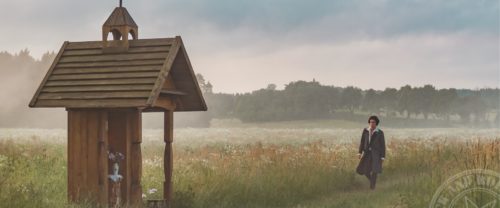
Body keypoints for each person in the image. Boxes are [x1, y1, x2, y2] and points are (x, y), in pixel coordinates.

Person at [356, 115, 386, 190]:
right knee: (366, 171)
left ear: (376, 123)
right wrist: (359, 152)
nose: (372, 123)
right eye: (370, 122)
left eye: (373, 122)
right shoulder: (365, 130)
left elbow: (383, 145)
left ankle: (372, 188)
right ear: (369, 123)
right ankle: (372, 182)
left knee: (374, 171)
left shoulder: (380, 132)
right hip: (367, 154)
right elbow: (362, 142)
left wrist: (383, 156)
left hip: (376, 154)